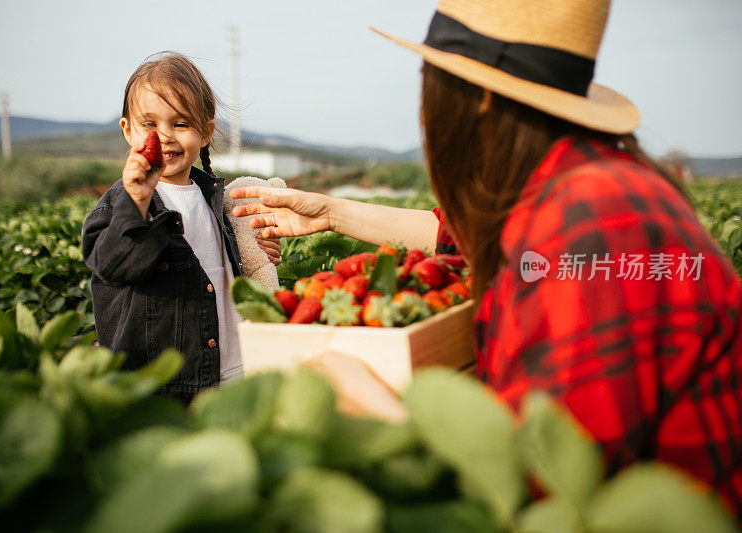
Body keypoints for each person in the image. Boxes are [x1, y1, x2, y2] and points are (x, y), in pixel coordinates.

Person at [231, 0, 742, 517]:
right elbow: (460, 237)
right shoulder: (580, 187)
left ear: (477, 99)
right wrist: (330, 212)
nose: (424, 110)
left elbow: (545, 492)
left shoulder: (591, 224)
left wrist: (378, 412)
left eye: (429, 82)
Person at [82, 52, 280, 404]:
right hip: (166, 385)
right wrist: (137, 203)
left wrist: (259, 252)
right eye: (150, 124)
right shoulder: (121, 203)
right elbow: (115, 265)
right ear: (128, 131)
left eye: (181, 124)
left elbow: (224, 268)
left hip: (233, 366)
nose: (165, 137)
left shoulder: (214, 197)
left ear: (205, 132)